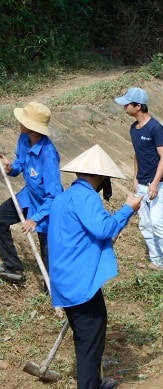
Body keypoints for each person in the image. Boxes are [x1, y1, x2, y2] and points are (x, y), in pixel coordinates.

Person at [48, 144, 142, 389]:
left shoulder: (64, 197)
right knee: (91, 337)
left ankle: (94, 381)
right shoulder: (85, 196)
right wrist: (128, 209)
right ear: (101, 177)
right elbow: (104, 229)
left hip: (66, 280)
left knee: (86, 335)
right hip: (80, 282)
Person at [115, 87, 163, 275]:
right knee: (145, 223)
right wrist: (135, 179)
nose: (124, 107)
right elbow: (137, 156)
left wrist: (155, 183)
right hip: (141, 184)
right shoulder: (134, 128)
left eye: (127, 104)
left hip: (157, 184)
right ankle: (156, 261)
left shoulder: (156, 128)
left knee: (157, 221)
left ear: (138, 106)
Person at [0, 102, 63, 282]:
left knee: (49, 257)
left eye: (23, 120)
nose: (19, 123)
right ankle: (12, 267)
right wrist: (10, 167)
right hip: (28, 197)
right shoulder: (23, 139)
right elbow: (20, 164)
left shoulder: (48, 154)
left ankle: (55, 293)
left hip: (47, 208)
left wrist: (35, 218)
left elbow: (54, 196)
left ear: (31, 126)